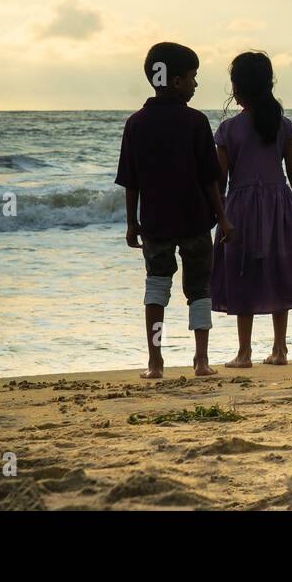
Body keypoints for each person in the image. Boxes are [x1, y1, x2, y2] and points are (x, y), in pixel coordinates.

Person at [116, 42, 232, 379]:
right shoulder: (195, 121)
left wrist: (131, 222)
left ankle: (155, 361)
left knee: (156, 289)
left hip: (155, 222)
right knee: (199, 290)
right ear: (177, 81)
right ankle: (201, 359)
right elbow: (210, 178)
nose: (196, 85)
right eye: (194, 77)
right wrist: (222, 218)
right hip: (196, 220)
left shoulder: (136, 123)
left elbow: (130, 180)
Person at [211, 51, 292, 367]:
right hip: (279, 206)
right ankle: (280, 349)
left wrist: (218, 215)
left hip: (240, 210)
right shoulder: (283, 126)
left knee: (242, 272)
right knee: (278, 271)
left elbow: (220, 179)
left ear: (238, 89)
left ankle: (244, 353)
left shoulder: (229, 130)